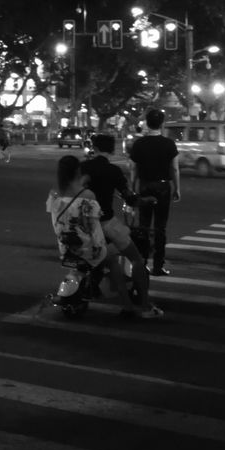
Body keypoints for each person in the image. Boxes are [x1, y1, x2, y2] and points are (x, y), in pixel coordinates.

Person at [82, 133, 162, 318]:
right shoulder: (113, 171)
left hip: (84, 223)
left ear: (94, 147)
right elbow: (130, 198)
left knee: (110, 260)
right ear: (112, 149)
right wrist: (146, 200)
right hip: (107, 223)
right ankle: (143, 304)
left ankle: (123, 301)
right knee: (136, 259)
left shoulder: (83, 168)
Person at [129, 108, 181, 276]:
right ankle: (158, 266)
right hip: (163, 186)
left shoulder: (139, 144)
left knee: (143, 226)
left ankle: (142, 263)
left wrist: (132, 187)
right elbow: (174, 168)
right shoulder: (169, 144)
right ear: (162, 124)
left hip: (144, 186)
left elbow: (133, 168)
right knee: (160, 227)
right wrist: (177, 188)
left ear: (147, 123)